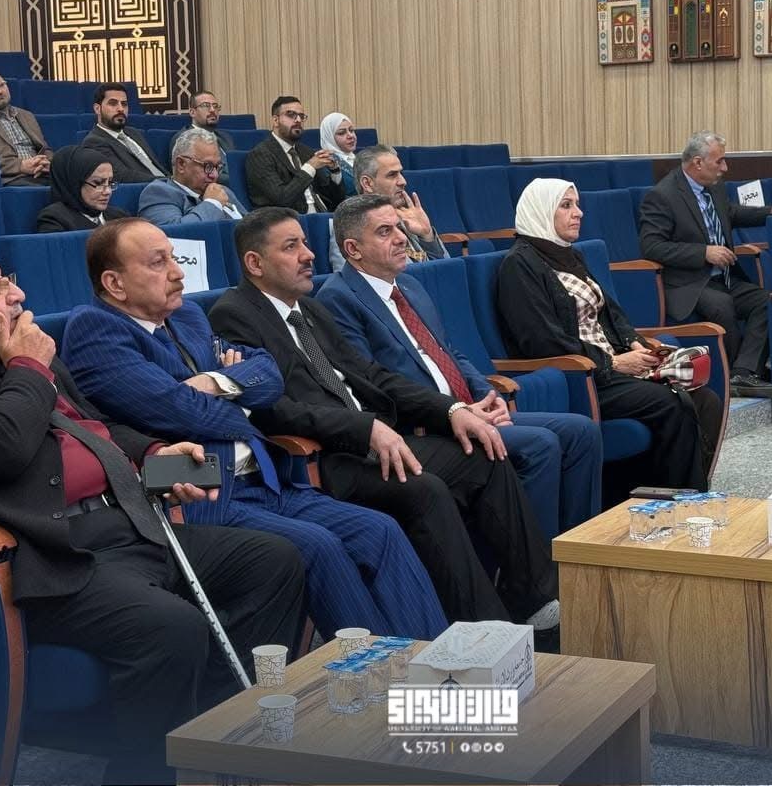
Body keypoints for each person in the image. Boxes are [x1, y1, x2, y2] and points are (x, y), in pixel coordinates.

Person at [0, 247, 305, 784]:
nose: (17, 294)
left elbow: (96, 428)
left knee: (273, 561)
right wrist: (29, 366)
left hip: (127, 525)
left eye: (8, 279)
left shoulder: (20, 359)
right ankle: (144, 775)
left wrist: (154, 456)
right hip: (53, 557)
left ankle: (214, 739)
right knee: (171, 628)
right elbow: (4, 446)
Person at [61, 218, 446, 639]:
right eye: (158, 263)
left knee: (380, 530)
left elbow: (269, 374)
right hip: (201, 492)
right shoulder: (95, 330)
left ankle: (431, 660)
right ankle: (377, 670)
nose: (177, 273)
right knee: (318, 546)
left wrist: (215, 383)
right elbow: (185, 411)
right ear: (115, 284)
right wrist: (237, 394)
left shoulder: (187, 315)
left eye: (174, 258)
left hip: (266, 477)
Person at [209, 206, 560, 632]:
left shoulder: (310, 310)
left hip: (375, 440)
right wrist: (365, 429)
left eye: (304, 242)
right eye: (291, 246)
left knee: (486, 451)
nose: (309, 254)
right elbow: (274, 409)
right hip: (328, 458)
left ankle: (533, 598)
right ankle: (482, 630)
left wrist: (451, 410)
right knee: (424, 490)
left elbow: (373, 376)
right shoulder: (234, 315)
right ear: (255, 263)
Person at [319, 194, 602, 540]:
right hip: (428, 425)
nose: (401, 238)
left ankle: (579, 549)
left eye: (399, 227)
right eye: (384, 231)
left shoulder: (409, 285)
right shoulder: (338, 298)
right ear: (353, 249)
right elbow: (373, 383)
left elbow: (449, 352)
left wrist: (488, 395)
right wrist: (455, 411)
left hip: (468, 408)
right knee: (539, 445)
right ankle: (540, 560)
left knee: (581, 432)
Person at [496, 179, 724, 493]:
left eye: (577, 205)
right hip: (581, 377)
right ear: (541, 211)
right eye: (566, 205)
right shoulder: (519, 265)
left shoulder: (568, 255)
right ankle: (670, 499)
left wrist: (635, 342)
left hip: (609, 368)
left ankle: (693, 491)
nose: (578, 213)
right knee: (671, 402)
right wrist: (612, 362)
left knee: (706, 400)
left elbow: (610, 311)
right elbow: (540, 340)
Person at [639, 131, 772, 398]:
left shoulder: (714, 187)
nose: (725, 168)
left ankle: (743, 372)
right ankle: (728, 375)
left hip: (723, 277)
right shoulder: (663, 196)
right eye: (719, 161)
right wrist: (703, 252)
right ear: (698, 162)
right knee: (722, 304)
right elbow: (652, 246)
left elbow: (732, 213)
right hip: (688, 283)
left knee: (766, 301)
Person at [329, 145, 447, 270]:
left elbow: (446, 271)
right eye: (392, 175)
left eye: (400, 173)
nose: (403, 181)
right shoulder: (348, 226)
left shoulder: (409, 218)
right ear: (367, 183)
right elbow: (351, 280)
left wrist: (427, 236)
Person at [245, 95, 345, 212]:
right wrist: (310, 167)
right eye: (291, 115)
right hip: (286, 219)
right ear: (276, 120)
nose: (298, 120)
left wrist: (334, 171)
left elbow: (336, 200)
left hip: (322, 215)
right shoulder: (260, 155)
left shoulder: (306, 152)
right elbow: (282, 199)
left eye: (301, 116)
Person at [138, 128, 246, 226]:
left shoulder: (222, 191)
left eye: (218, 167)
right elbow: (176, 233)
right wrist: (213, 203)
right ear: (181, 164)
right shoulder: (159, 193)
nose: (215, 175)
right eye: (207, 166)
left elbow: (250, 225)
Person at [81, 83, 167, 183]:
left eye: (124, 104)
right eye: (113, 104)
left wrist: (174, 181)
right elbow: (121, 175)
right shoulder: (94, 141)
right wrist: (166, 181)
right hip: (149, 188)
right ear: (97, 109)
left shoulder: (133, 133)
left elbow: (155, 166)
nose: (121, 109)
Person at [35, 146, 130, 233]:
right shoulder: (55, 219)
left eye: (110, 182)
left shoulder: (119, 216)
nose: (108, 191)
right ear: (74, 183)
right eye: (97, 183)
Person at [171, 90, 232, 184]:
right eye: (206, 106)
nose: (212, 110)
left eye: (215, 106)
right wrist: (236, 180)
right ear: (192, 112)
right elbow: (191, 174)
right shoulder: (184, 138)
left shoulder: (225, 137)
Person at [319, 111, 358, 195]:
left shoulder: (357, 158)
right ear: (330, 137)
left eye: (351, 130)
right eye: (341, 133)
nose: (350, 136)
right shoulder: (326, 163)